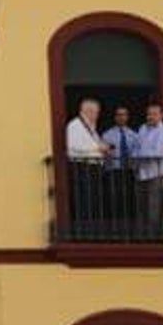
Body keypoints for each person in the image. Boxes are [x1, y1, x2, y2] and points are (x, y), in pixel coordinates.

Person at [65, 99, 111, 238]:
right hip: (82, 168)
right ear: (87, 111)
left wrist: (103, 148)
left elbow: (93, 143)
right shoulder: (75, 126)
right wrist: (99, 148)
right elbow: (73, 146)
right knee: (84, 201)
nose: (97, 115)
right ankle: (84, 231)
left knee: (93, 201)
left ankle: (92, 229)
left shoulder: (89, 127)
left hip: (93, 168)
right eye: (96, 112)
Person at [135, 104, 163, 238]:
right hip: (142, 173)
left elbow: (158, 152)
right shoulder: (142, 129)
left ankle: (153, 236)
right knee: (141, 206)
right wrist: (137, 158)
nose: (150, 116)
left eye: (154, 114)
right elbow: (136, 147)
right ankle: (142, 235)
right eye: (148, 114)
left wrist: (139, 156)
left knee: (154, 206)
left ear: (161, 115)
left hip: (157, 173)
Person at [102, 106, 139, 234]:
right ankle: (114, 227)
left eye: (124, 115)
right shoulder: (107, 135)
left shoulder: (134, 135)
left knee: (129, 198)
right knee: (114, 198)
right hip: (114, 171)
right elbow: (104, 153)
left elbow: (137, 153)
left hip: (129, 171)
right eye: (118, 115)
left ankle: (129, 227)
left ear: (127, 117)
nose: (121, 117)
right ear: (115, 117)